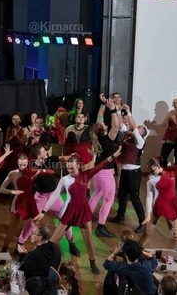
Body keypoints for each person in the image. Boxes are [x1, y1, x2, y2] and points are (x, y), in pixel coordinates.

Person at [34, 149, 122, 275]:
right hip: (70, 211)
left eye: (72, 168)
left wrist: (112, 155)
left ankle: (92, 263)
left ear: (78, 166)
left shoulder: (86, 175)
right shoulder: (64, 179)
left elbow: (100, 166)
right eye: (68, 168)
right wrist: (44, 210)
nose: (70, 170)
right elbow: (55, 195)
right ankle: (44, 262)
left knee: (89, 241)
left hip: (83, 211)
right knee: (53, 242)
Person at [138, 149, 177, 248]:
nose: (152, 172)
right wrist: (148, 213)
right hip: (158, 205)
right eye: (150, 170)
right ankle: (137, 251)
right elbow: (149, 197)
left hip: (171, 205)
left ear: (159, 166)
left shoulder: (171, 171)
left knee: (175, 234)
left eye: (153, 170)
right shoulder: (150, 179)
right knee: (148, 232)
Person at [108, 104, 148, 233]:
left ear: (142, 134)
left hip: (134, 172)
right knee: (122, 194)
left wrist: (129, 112)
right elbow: (121, 125)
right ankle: (120, 215)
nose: (137, 128)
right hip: (126, 171)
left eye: (140, 129)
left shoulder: (140, 141)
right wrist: (119, 111)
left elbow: (133, 127)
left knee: (134, 197)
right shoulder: (128, 136)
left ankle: (142, 222)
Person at [89, 98, 121, 238]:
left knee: (97, 193)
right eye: (103, 124)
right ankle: (101, 226)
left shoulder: (96, 137)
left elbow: (99, 121)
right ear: (103, 130)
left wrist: (103, 106)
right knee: (109, 199)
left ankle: (86, 217)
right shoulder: (107, 140)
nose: (103, 122)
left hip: (97, 171)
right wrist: (112, 109)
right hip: (105, 173)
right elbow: (116, 126)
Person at [153, 97, 177, 166]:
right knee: (163, 156)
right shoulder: (170, 112)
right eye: (175, 103)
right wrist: (167, 119)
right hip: (169, 137)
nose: (175, 105)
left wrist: (175, 121)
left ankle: (176, 172)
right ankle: (163, 171)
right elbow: (163, 124)